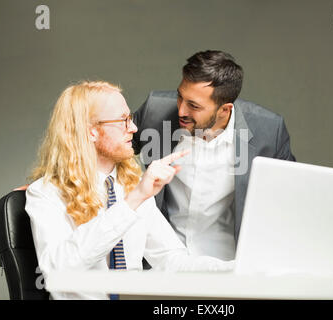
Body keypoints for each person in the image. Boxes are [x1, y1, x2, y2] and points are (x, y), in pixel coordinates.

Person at [25, 80, 234, 300]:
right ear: (91, 131)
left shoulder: (131, 185)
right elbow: (57, 271)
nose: (133, 128)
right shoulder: (45, 193)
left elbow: (171, 260)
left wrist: (235, 269)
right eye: (123, 120)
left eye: (130, 119)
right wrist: (133, 200)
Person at [133, 50, 296, 261]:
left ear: (225, 110)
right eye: (180, 96)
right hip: (159, 264)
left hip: (228, 268)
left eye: (194, 105)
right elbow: (107, 148)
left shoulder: (268, 131)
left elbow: (289, 202)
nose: (181, 110)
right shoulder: (155, 111)